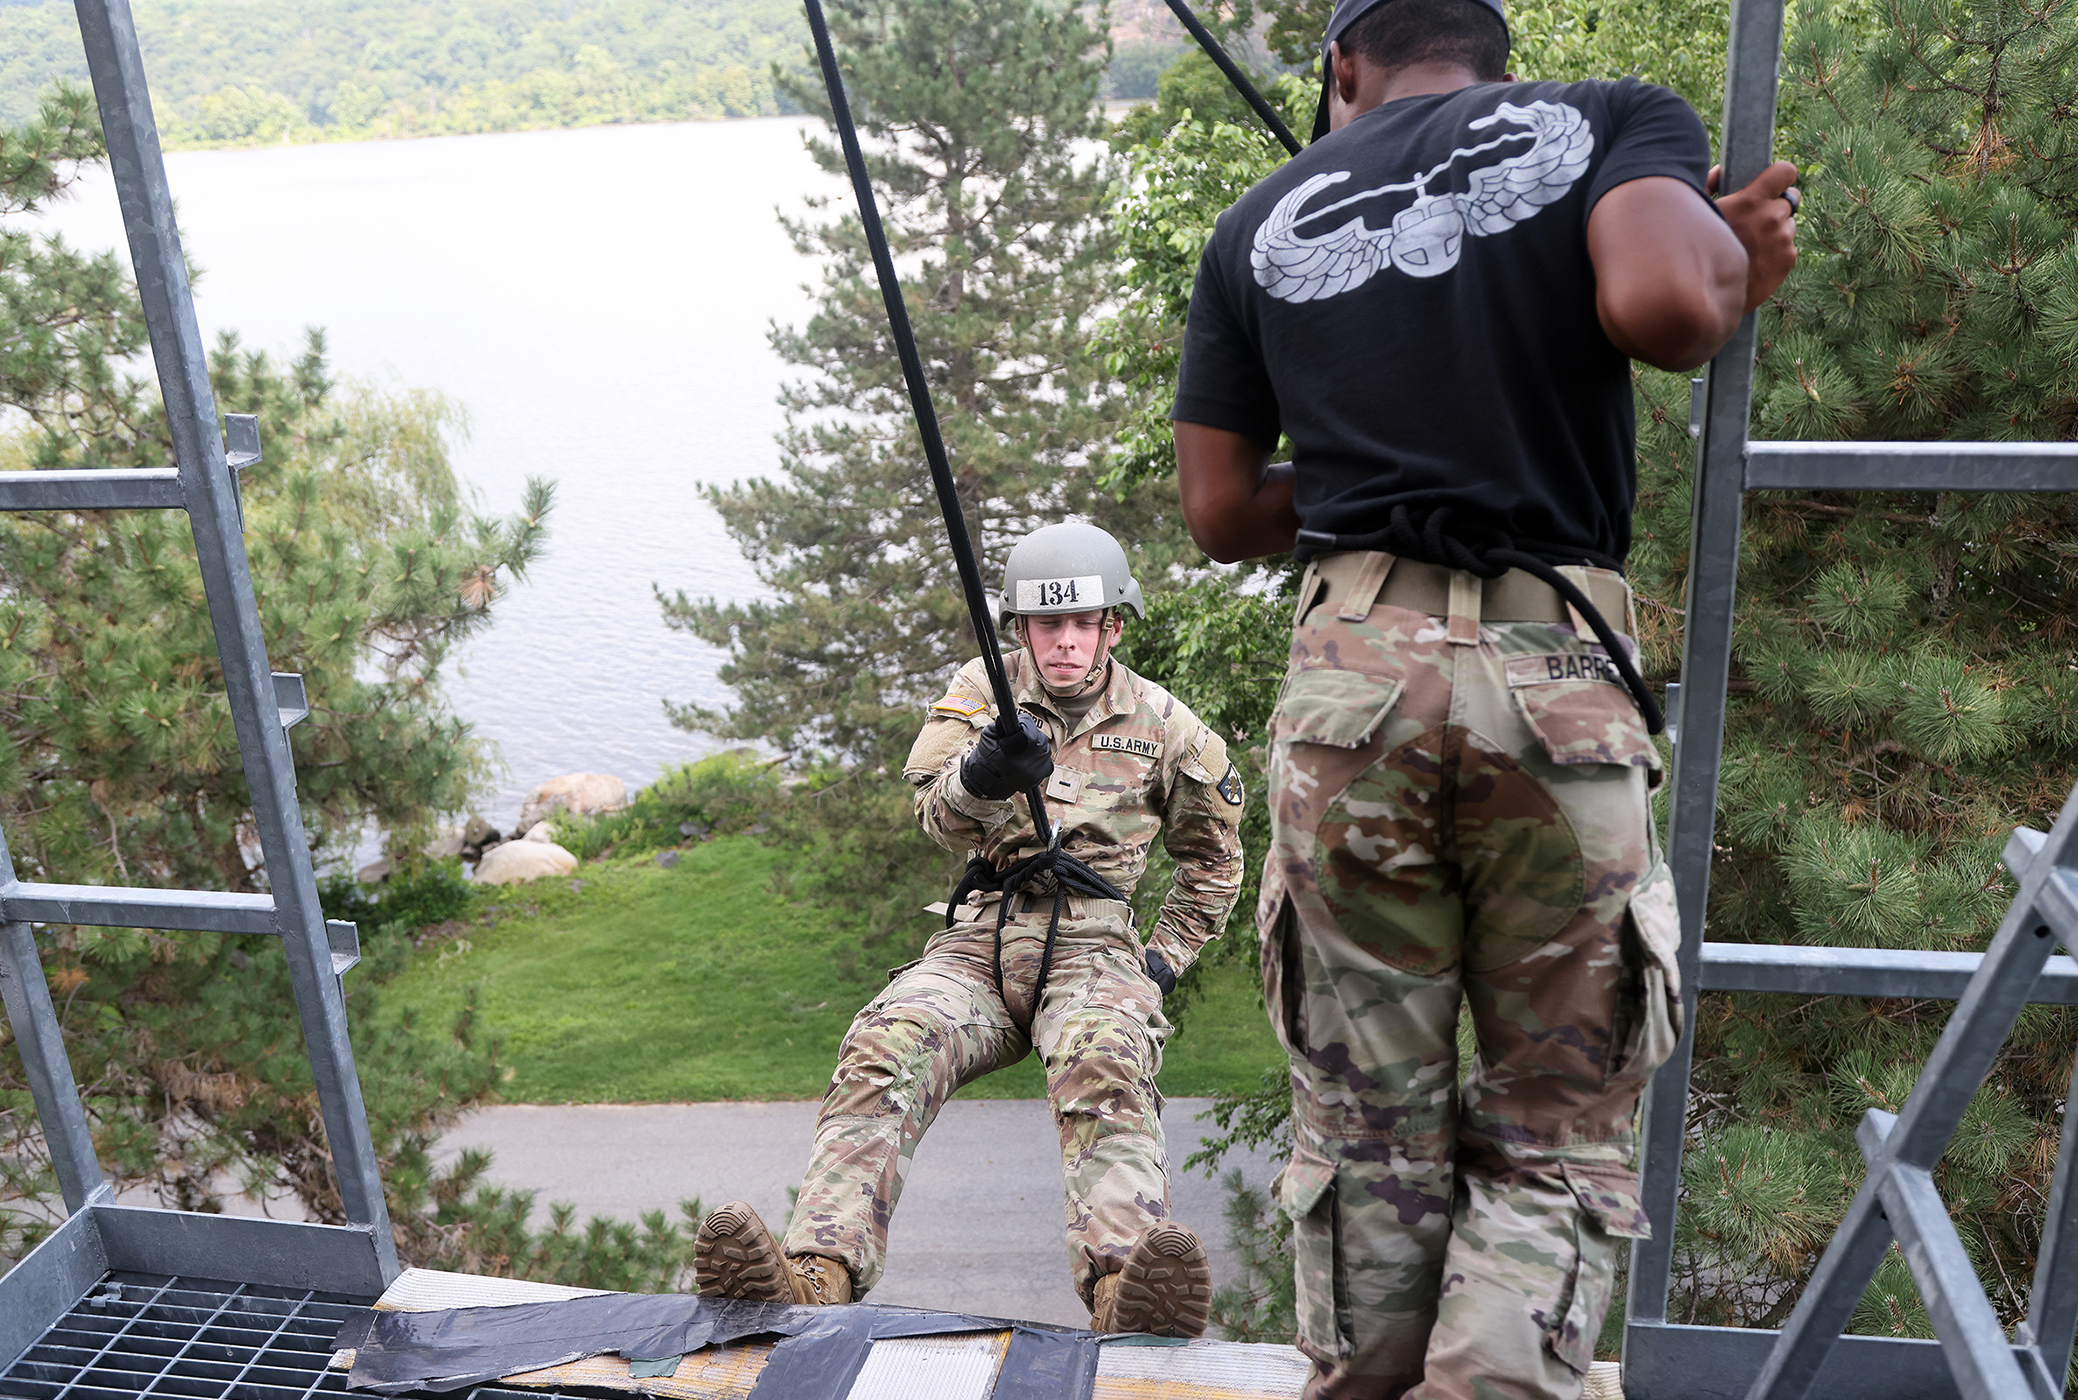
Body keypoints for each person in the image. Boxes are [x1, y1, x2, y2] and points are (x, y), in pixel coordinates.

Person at [1169, 0, 1800, 1394]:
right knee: (1551, 1126)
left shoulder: (1259, 220)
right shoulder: (1614, 120)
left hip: (1353, 684)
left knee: (1367, 1129)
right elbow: (1661, 308)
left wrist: (1354, 477)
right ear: (1494, 54)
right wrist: (1733, 267)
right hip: (1551, 672)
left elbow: (1219, 508)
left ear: (1344, 69)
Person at [691, 521, 1248, 1337]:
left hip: (1093, 942)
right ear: (1021, 628)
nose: (1063, 642)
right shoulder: (982, 695)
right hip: (980, 938)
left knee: (1105, 1055)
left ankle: (1123, 1289)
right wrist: (985, 771)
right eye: (1045, 625)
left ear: (1112, 627)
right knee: (887, 1039)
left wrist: (1163, 960)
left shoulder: (1167, 727)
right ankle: (816, 1274)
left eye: (1081, 624)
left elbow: (1215, 858)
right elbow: (936, 817)